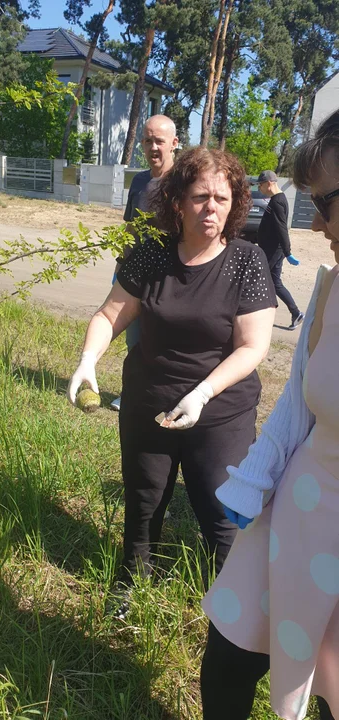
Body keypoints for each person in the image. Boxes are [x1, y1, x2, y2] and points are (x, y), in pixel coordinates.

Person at [68, 146, 276, 615]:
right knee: (143, 504)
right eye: (201, 196)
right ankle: (131, 588)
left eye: (222, 198)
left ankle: (233, 609)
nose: (212, 208)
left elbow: (253, 346)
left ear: (235, 202)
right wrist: (88, 359)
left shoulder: (247, 260)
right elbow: (109, 314)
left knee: (223, 515)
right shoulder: (150, 254)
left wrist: (202, 393)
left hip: (219, 412)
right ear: (178, 201)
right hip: (149, 404)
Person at [201, 110, 339, 720]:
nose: (319, 223)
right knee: (229, 647)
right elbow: (296, 400)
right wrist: (255, 479)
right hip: (298, 508)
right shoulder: (333, 290)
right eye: (312, 203)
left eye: (328, 202)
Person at [110, 114, 178, 411]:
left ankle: (165, 395)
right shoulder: (139, 180)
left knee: (164, 340)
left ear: (174, 143)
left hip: (170, 274)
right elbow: (132, 226)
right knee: (134, 339)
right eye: (148, 141)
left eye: (159, 141)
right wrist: (120, 262)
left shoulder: (183, 181)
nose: (153, 147)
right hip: (136, 272)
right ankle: (133, 394)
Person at [257, 169, 304, 330]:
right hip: (273, 249)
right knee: (275, 283)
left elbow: (281, 228)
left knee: (260, 280)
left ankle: (258, 316)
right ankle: (296, 313)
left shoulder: (277, 201)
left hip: (274, 250)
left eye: (260, 185)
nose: (259, 189)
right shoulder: (278, 198)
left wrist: (288, 251)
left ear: (269, 183)